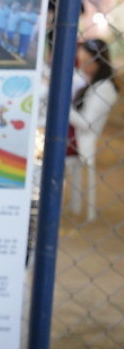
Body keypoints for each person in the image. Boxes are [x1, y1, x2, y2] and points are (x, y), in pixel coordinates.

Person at [66, 38, 119, 222]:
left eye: (87, 61)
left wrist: (62, 106)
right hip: (72, 134)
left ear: (98, 62)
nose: (82, 65)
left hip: (79, 140)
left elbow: (86, 123)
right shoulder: (88, 80)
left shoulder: (104, 88)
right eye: (80, 60)